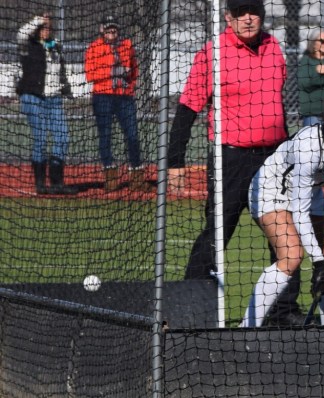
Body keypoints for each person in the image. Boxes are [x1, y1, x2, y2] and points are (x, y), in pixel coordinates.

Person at [168, 0, 302, 326]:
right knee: (217, 234)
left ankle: (282, 311)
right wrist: (175, 161)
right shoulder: (212, 53)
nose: (248, 19)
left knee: (284, 236)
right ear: (228, 17)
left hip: (274, 158)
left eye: (253, 12)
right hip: (231, 159)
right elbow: (187, 109)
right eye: (241, 13)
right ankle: (190, 310)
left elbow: (279, 102)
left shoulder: (274, 47)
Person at [241, 87, 324, 327]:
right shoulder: (309, 146)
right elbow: (299, 212)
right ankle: (246, 329)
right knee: (291, 256)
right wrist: (318, 262)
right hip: (273, 187)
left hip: (311, 191)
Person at [84, 16, 153, 194]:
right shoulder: (94, 47)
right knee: (105, 136)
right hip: (103, 96)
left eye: (114, 30)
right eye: (108, 30)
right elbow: (90, 75)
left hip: (124, 96)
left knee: (133, 135)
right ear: (102, 30)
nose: (112, 33)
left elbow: (134, 69)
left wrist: (131, 85)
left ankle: (137, 177)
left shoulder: (126, 45)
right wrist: (112, 71)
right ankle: (111, 177)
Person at [16, 13, 74, 196]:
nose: (46, 30)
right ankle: (40, 183)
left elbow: (61, 71)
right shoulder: (28, 45)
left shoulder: (56, 46)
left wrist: (65, 88)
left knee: (62, 138)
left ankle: (57, 182)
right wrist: (40, 20)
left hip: (54, 98)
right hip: (33, 97)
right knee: (40, 138)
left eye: (48, 27)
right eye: (43, 27)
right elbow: (21, 34)